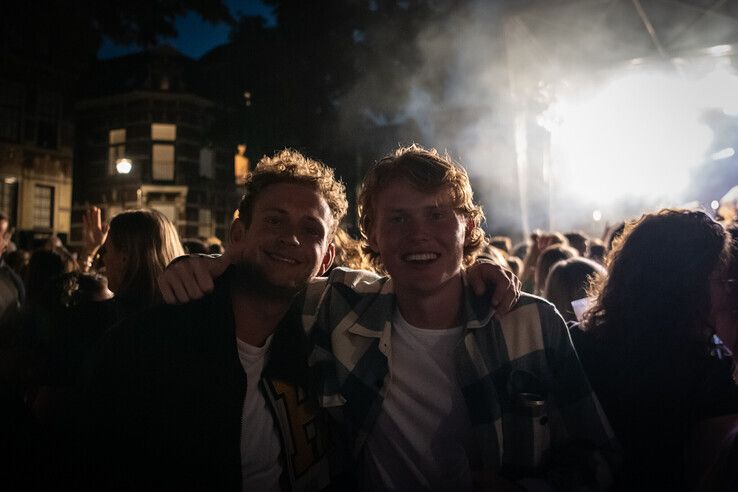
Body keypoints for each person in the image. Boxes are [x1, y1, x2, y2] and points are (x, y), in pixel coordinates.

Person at [162, 145, 616, 490]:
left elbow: (598, 457)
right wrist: (203, 266)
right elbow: (271, 279)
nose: (418, 233)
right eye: (397, 219)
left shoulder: (532, 323)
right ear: (372, 236)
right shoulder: (337, 306)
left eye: (437, 215)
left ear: (470, 227)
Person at [87, 148, 521, 491]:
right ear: (238, 235)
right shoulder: (149, 341)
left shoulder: (323, 335)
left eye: (311, 230)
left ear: (327, 257)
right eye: (274, 220)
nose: (291, 237)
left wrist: (470, 275)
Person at [573, 209, 738, 491]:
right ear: (688, 285)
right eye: (720, 279)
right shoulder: (706, 377)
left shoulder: (578, 342)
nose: (726, 291)